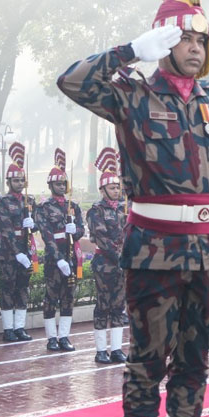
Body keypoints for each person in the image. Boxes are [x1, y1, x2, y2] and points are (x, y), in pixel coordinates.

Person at [57, 0, 209, 417]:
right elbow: (71, 81)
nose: (193, 46)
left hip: (208, 248)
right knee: (147, 357)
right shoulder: (133, 94)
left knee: (195, 357)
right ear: (163, 42)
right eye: (184, 37)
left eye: (200, 38)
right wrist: (129, 50)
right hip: (154, 249)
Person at [35, 149, 85, 352]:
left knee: (68, 297)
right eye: (57, 184)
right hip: (54, 259)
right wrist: (58, 259)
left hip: (71, 255)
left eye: (64, 183)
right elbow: (46, 237)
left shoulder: (74, 206)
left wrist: (77, 231)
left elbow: (81, 229)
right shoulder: (44, 207)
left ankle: (64, 336)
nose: (61, 186)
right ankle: (51, 337)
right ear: (50, 185)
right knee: (51, 297)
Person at [88, 148, 129, 363]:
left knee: (118, 306)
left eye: (118, 187)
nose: (116, 191)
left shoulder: (124, 209)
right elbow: (102, 237)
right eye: (112, 188)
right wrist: (121, 257)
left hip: (122, 264)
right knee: (103, 306)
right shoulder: (96, 210)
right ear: (103, 189)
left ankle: (116, 349)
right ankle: (100, 350)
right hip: (105, 263)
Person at [0, 141, 36, 343]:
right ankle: (8, 329)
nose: (19, 183)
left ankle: (20, 327)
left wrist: (33, 223)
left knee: (22, 288)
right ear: (8, 182)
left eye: (22, 180)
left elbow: (36, 227)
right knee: (8, 289)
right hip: (9, 253)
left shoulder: (30, 201)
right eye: (15, 180)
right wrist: (17, 252)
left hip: (26, 251)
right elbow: (5, 229)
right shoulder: (2, 202)